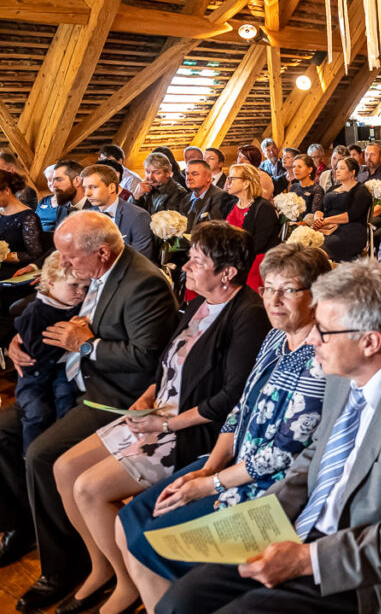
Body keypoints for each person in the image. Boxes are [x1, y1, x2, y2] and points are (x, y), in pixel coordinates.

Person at [156, 260, 381, 613]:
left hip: (372, 570)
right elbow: (316, 457)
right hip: (309, 532)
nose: (311, 339)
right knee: (179, 602)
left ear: (370, 341)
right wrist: (261, 517)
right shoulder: (345, 365)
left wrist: (307, 558)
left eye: (323, 330)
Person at [51, 221, 269, 613]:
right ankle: (100, 568)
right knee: (64, 468)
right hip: (158, 412)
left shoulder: (247, 314)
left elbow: (231, 399)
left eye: (197, 260)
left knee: (89, 488)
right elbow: (168, 361)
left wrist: (166, 423)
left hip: (189, 431)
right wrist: (149, 394)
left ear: (228, 272)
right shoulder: (200, 301)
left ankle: (127, 583)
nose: (186, 266)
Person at [116, 244, 331, 610]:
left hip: (267, 485)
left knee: (153, 538)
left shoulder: (320, 357)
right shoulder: (277, 336)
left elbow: (281, 454)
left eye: (289, 290)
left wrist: (208, 484)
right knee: (131, 517)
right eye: (268, 289)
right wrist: (210, 466)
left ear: (318, 295)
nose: (274, 300)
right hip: (231, 464)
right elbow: (241, 405)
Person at [0, 211, 178, 610]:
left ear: (100, 253)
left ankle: (65, 565)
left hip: (114, 394)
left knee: (43, 455)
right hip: (71, 380)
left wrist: (86, 347)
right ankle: (21, 526)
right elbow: (45, 295)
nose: (64, 263)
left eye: (70, 257)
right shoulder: (95, 267)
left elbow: (147, 357)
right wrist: (18, 337)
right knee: (3, 429)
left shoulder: (144, 282)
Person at [13, 253, 89, 452]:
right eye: (74, 285)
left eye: (85, 287)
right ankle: (30, 454)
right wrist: (68, 336)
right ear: (51, 283)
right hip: (34, 376)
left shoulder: (75, 306)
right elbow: (36, 351)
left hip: (63, 371)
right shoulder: (34, 313)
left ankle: (59, 449)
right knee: (37, 412)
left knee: (66, 403)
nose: (80, 292)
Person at [224, 163, 281, 292]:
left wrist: (234, 256)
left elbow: (259, 243)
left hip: (254, 260)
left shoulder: (264, 207)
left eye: (232, 178)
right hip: (233, 256)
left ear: (246, 183)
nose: (228, 182)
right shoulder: (231, 204)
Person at [82, 164, 156, 261]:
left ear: (112, 188)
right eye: (85, 188)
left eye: (94, 187)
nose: (87, 193)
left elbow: (140, 261)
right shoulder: (87, 216)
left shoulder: (138, 216)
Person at [312, 157, 372, 263]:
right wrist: (318, 219)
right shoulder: (332, 188)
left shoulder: (361, 191)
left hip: (350, 229)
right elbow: (320, 209)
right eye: (337, 168)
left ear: (352, 172)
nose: (337, 171)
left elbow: (352, 215)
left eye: (342, 168)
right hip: (326, 226)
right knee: (306, 243)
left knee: (321, 247)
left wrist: (327, 221)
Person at [0, 169, 44, 277]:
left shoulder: (28, 217)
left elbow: (34, 255)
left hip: (15, 273)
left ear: (6, 190)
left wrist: (3, 256)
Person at [183, 159, 235, 231]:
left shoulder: (222, 197)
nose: (188, 178)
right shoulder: (186, 198)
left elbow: (213, 230)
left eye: (194, 174)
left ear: (208, 177)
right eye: (187, 174)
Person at [36, 164, 60, 234]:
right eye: (49, 180)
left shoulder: (69, 203)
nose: (51, 183)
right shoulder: (44, 200)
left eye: (56, 179)